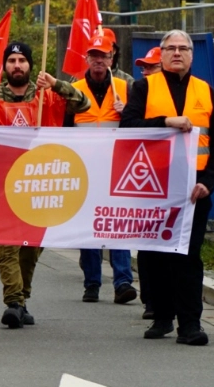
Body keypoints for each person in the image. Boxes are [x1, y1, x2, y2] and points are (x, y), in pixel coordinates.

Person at [121, 30, 214, 347]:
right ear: (162, 54)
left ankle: (190, 324)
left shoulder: (206, 92)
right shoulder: (143, 87)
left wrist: (208, 183)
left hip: (193, 190)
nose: (177, 53)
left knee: (188, 256)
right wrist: (166, 121)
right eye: (171, 48)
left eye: (184, 48)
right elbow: (127, 127)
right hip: (152, 187)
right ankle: (162, 317)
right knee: (154, 254)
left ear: (192, 55)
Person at [0, 41, 88, 329]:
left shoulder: (48, 98)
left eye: (22, 60)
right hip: (0, 186)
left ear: (30, 65)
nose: (16, 65)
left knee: (31, 246)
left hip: (40, 185)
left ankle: (22, 298)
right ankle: (13, 302)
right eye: (11, 60)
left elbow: (83, 103)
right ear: (5, 66)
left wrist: (57, 84)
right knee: (6, 245)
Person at [67, 33, 137, 306]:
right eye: (94, 55)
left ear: (112, 58)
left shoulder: (127, 86)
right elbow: (62, 126)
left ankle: (123, 283)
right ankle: (92, 283)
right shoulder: (75, 87)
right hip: (84, 169)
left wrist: (127, 112)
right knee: (90, 226)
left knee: (117, 223)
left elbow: (143, 123)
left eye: (104, 55)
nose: (99, 60)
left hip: (117, 169)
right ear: (87, 59)